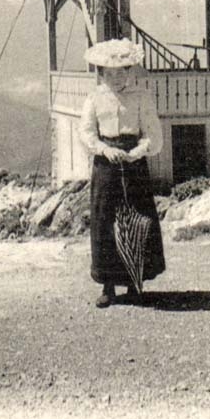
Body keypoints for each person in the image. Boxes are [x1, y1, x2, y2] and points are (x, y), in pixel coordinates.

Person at [78, 39, 165, 308]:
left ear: (129, 71)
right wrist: (104, 149)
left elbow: (153, 134)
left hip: (133, 162)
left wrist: (138, 151)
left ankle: (134, 282)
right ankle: (108, 284)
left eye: (121, 72)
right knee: (105, 220)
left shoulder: (142, 96)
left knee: (135, 218)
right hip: (106, 165)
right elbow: (86, 132)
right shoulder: (94, 98)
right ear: (102, 73)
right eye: (110, 73)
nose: (116, 78)